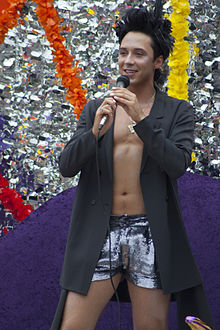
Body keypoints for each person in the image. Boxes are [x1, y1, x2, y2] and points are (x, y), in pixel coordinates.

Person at [51, 4, 214, 330]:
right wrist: (95, 131)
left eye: (138, 54)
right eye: (123, 52)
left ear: (157, 62)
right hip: (100, 231)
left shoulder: (177, 111)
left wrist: (141, 120)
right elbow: (66, 166)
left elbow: (177, 164)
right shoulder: (98, 107)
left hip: (150, 232)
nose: (127, 61)